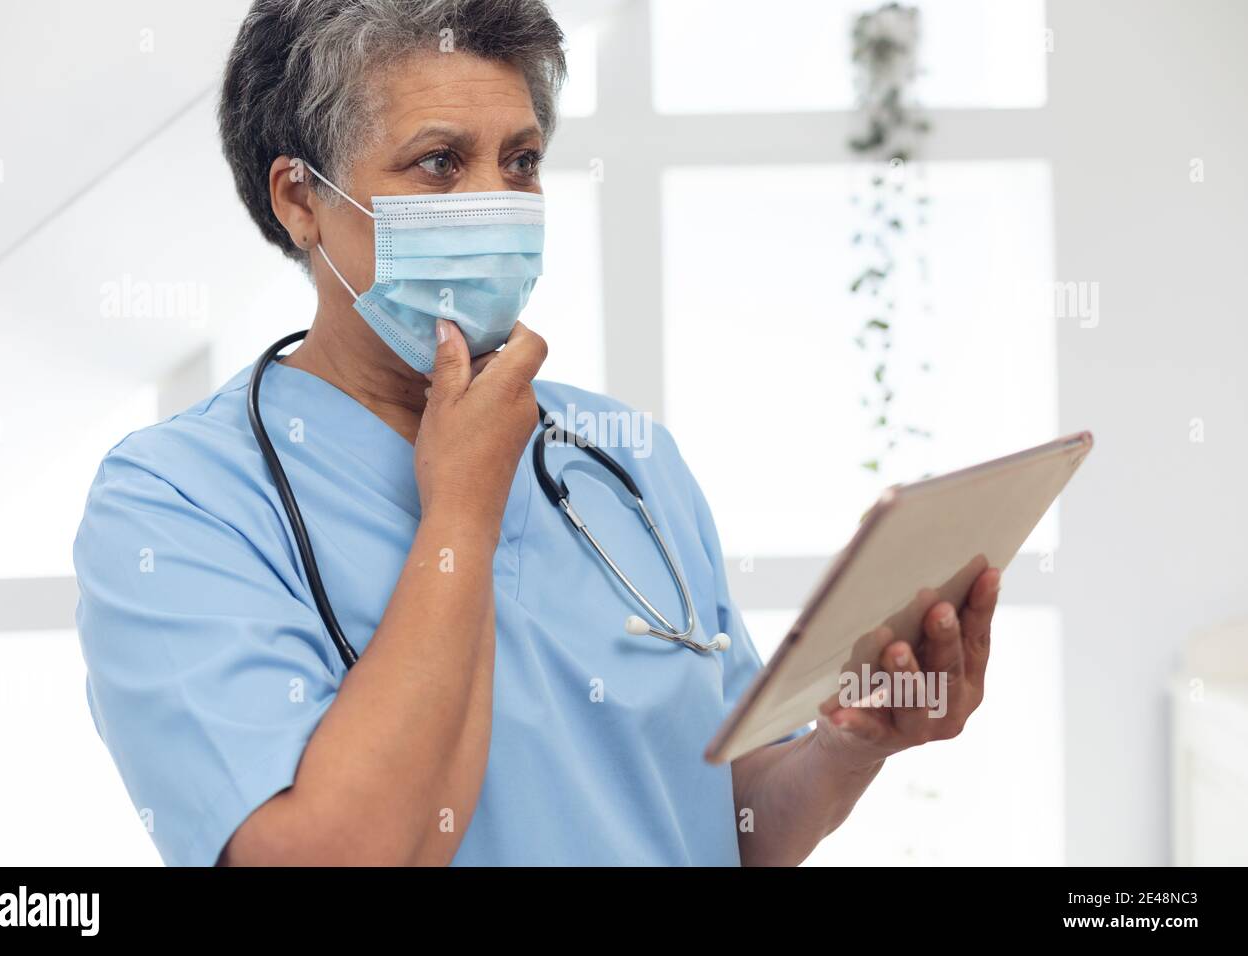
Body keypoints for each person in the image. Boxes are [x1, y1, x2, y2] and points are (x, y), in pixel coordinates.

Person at [74, 0, 1000, 867]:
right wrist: (462, 512)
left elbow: (721, 820)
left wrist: (847, 746)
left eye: (520, 161)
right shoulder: (176, 502)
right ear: (300, 199)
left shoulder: (623, 454)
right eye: (440, 161)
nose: (498, 202)